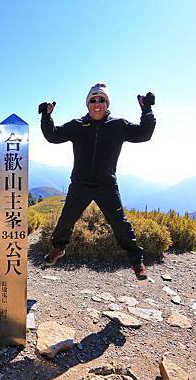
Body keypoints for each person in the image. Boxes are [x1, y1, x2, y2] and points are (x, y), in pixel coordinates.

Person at [38, 82, 156, 280]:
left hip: (106, 185)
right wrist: (46, 116)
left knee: (120, 223)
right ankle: (58, 249)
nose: (97, 103)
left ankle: (137, 261)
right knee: (66, 220)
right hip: (80, 184)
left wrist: (147, 110)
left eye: (102, 99)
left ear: (107, 103)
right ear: (88, 103)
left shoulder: (118, 125)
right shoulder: (77, 125)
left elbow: (144, 134)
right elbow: (53, 136)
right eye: (93, 100)